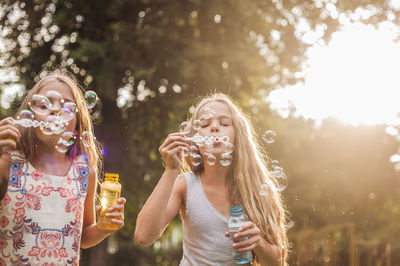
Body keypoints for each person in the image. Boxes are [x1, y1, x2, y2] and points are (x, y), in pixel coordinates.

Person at [134, 93, 287, 265]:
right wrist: (171, 170)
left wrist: (259, 242)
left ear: (239, 137)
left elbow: (277, 261)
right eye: (205, 124)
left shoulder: (257, 190)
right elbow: (143, 236)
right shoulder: (186, 185)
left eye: (224, 123)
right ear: (195, 139)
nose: (214, 128)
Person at [0, 70, 126, 265]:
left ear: (76, 125)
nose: (55, 111)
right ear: (31, 118)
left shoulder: (84, 174)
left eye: (66, 107)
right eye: (44, 105)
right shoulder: (9, 164)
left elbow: (82, 236)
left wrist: (101, 228)